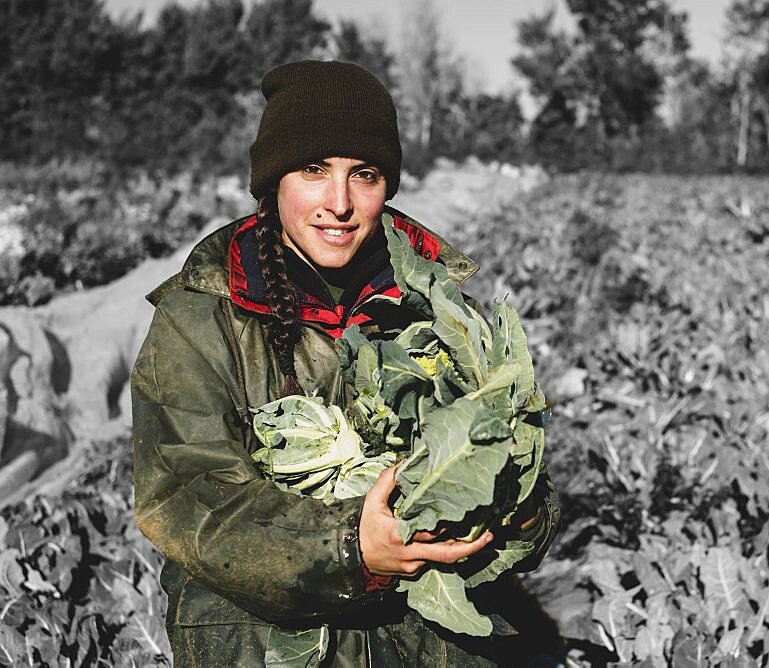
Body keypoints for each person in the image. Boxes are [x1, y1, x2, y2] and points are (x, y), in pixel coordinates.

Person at [130, 60, 561, 666]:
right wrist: (350, 549)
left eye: (364, 174)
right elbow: (188, 494)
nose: (339, 203)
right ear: (273, 181)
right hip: (260, 643)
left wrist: (513, 510)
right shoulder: (200, 320)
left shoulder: (440, 309)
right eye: (313, 170)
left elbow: (513, 458)